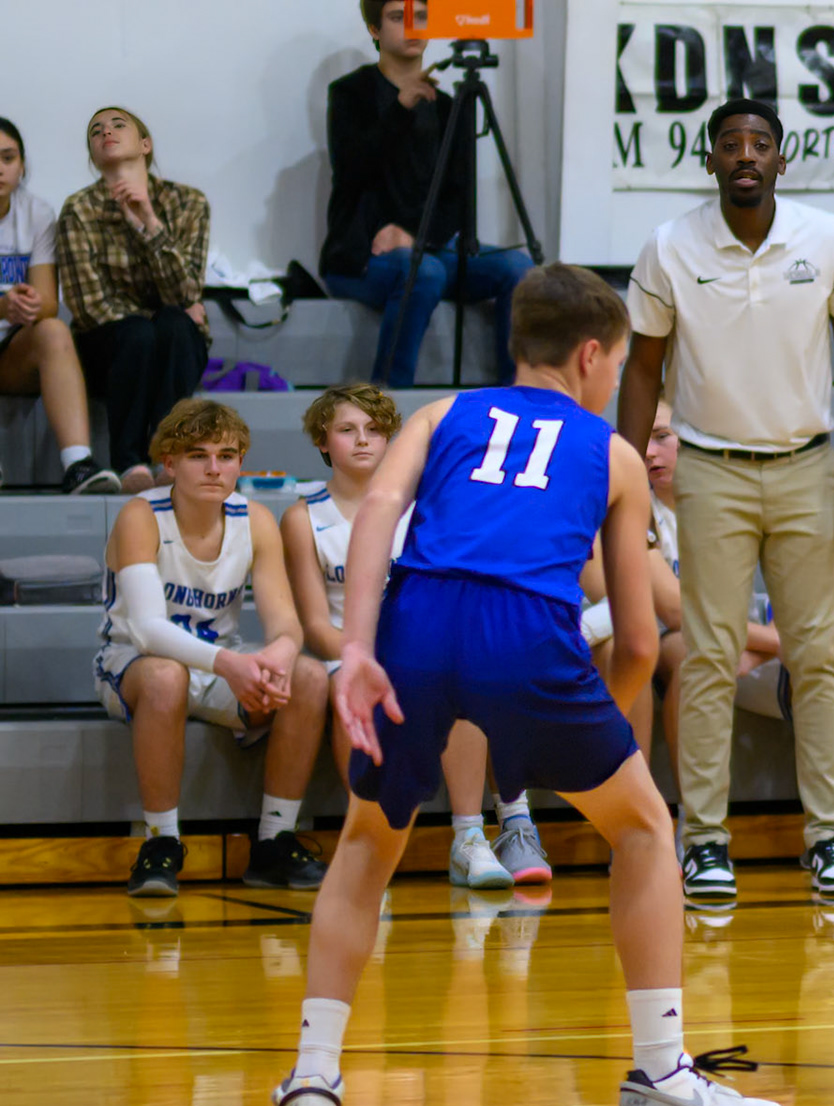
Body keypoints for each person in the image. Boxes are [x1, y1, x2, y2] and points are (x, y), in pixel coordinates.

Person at [271, 263, 785, 1106]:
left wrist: (356, 649)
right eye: (616, 365)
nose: (613, 380)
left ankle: (313, 1084)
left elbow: (379, 508)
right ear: (590, 355)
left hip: (415, 622)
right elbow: (637, 640)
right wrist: (598, 729)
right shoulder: (612, 453)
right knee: (644, 830)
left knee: (365, 846)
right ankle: (661, 1076)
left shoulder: (442, 414)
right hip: (529, 635)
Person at [618, 97, 834, 906]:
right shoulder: (669, 245)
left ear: (781, 160)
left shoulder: (828, 239)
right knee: (708, 656)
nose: (745, 154)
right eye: (730, 143)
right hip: (709, 468)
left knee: (818, 653)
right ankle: (704, 841)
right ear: (709, 161)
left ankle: (830, 836)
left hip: (807, 465)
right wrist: (625, 474)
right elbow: (641, 368)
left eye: (760, 143)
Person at [279, 383, 553, 889]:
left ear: (391, 439)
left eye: (374, 429)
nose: (363, 440)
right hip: (351, 656)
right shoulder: (303, 516)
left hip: (425, 650)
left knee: (477, 672)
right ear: (322, 441)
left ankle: (488, 832)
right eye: (347, 430)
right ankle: (368, 851)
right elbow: (315, 627)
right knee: (359, 688)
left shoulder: (430, 505)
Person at [611, 404, 834, 899]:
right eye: (643, 439)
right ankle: (695, 832)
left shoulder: (736, 498)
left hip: (743, 638)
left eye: (663, 436)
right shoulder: (638, 508)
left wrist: (764, 642)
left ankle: (833, 827)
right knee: (695, 650)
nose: (650, 452)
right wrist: (782, 642)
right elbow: (674, 609)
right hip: (670, 645)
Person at [94, 400, 330, 898]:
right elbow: (147, 631)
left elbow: (286, 624)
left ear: (241, 463)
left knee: (308, 676)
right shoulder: (141, 516)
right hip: (133, 665)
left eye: (226, 456)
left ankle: (273, 841)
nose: (214, 468)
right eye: (198, 455)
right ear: (170, 463)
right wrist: (232, 665)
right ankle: (161, 843)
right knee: (166, 676)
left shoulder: (255, 519)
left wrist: (280, 656)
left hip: (220, 664)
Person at [322, 0, 535, 387]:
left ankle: (514, 396)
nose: (412, 27)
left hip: (431, 250)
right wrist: (400, 108)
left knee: (518, 269)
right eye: (397, 17)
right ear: (374, 29)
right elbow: (351, 170)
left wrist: (418, 237)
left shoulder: (448, 106)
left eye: (420, 17)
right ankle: (387, 401)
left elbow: (458, 198)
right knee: (423, 270)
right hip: (360, 256)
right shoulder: (350, 94)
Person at [57, 106, 210, 493]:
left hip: (171, 339)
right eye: (96, 131)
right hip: (109, 345)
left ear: (145, 144)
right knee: (145, 331)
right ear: (93, 156)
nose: (106, 132)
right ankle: (129, 463)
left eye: (118, 125)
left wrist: (150, 224)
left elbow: (188, 292)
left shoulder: (188, 202)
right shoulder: (79, 209)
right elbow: (88, 305)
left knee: (176, 326)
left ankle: (168, 453)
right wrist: (153, 319)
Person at [0, 117, 116, 493]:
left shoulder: (36, 213)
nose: (0, 168)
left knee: (53, 330)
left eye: (8, 158)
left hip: (11, 350)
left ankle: (78, 464)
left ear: (22, 166)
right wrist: (3, 307)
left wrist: (28, 306)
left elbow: (49, 302)